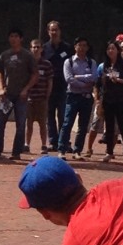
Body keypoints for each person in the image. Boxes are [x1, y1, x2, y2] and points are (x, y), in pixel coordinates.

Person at [0, 28, 38, 161]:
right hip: (7, 95)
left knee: (21, 124)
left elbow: (34, 75)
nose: (13, 39)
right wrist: (1, 88)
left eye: (16, 36)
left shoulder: (28, 56)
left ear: (21, 39)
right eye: (11, 36)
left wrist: (26, 89)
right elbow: (0, 72)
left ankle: (16, 152)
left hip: (21, 96)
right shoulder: (4, 55)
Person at [57, 37, 97, 158]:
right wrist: (85, 83)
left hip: (87, 98)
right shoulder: (68, 62)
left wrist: (78, 77)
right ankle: (62, 150)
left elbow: (94, 78)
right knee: (67, 123)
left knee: (83, 126)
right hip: (72, 96)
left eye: (84, 45)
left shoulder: (92, 62)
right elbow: (69, 79)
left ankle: (77, 150)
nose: (82, 48)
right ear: (75, 47)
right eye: (79, 45)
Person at [98, 40, 123, 163]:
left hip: (121, 100)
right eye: (108, 49)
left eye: (113, 48)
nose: (110, 51)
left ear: (118, 50)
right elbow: (100, 82)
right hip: (108, 100)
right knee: (109, 127)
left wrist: (119, 80)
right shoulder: (105, 65)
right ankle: (109, 152)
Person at [42, 20, 73, 151]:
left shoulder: (67, 48)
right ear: (48, 32)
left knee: (63, 116)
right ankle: (53, 142)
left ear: (60, 31)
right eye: (51, 30)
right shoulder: (44, 48)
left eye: (56, 30)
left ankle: (64, 141)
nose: (54, 32)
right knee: (49, 116)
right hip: (48, 87)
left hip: (63, 87)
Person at [26, 40, 53, 154]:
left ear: (42, 49)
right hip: (29, 99)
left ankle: (43, 145)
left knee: (43, 123)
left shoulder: (47, 64)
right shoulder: (27, 64)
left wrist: (47, 95)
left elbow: (50, 81)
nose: (36, 49)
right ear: (30, 49)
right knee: (28, 123)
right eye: (34, 47)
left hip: (42, 99)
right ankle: (26, 144)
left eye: (38, 47)